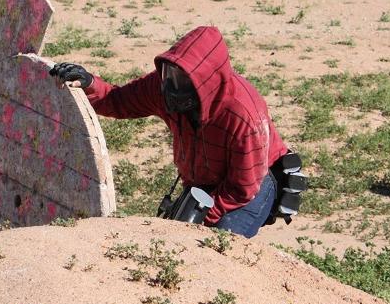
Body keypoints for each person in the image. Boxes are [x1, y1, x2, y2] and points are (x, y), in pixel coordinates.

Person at [50, 26, 290, 238]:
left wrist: (201, 220)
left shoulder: (244, 116)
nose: (171, 86)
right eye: (169, 75)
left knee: (218, 242)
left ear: (205, 82)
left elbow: (243, 188)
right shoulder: (163, 88)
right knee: (173, 241)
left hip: (255, 183)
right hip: (204, 182)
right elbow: (118, 101)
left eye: (181, 79)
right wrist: (89, 82)